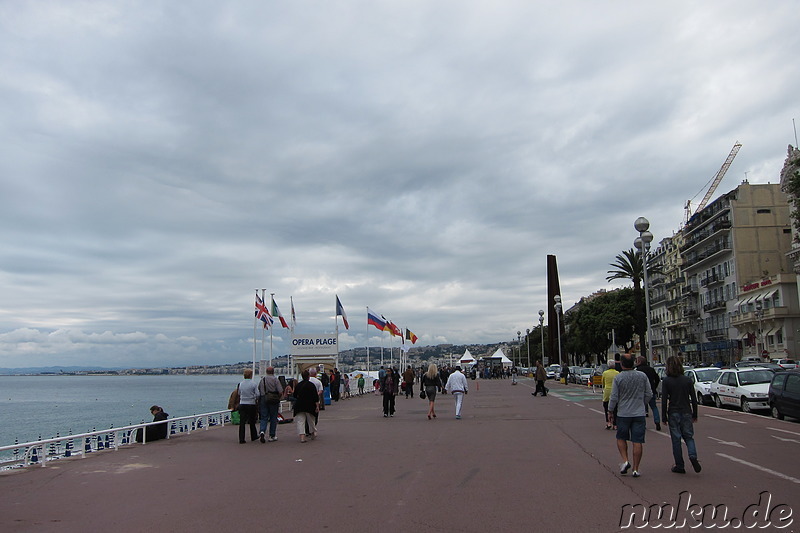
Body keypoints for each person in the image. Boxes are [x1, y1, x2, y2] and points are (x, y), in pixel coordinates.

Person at [608, 353, 652, 477]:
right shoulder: (642, 376)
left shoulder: (619, 378)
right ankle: (636, 468)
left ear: (621, 364)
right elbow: (649, 393)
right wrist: (642, 404)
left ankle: (625, 460)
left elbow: (614, 397)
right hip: (639, 412)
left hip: (623, 413)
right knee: (637, 440)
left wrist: (610, 411)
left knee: (621, 437)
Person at [661, 355, 701, 474]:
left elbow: (664, 400)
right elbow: (693, 399)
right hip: (686, 411)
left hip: (673, 411)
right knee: (689, 437)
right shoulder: (687, 380)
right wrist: (695, 414)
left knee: (676, 439)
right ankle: (693, 456)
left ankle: (680, 465)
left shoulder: (667, 381)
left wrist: (664, 416)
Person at [257, 366, 283, 443]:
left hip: (263, 399)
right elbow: (280, 391)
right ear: (273, 372)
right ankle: (272, 435)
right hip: (273, 399)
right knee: (273, 417)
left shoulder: (262, 380)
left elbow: (259, 390)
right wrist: (278, 397)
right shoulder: (275, 379)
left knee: (264, 417)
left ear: (266, 372)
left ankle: (262, 431)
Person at [635, 356, 662, 431]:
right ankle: (657, 422)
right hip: (651, 391)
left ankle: (643, 424)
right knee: (654, 407)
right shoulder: (651, 369)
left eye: (636, 361)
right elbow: (657, 379)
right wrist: (654, 386)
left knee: (641, 408)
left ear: (639, 362)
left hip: (641, 392)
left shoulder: (638, 370)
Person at [293, 370, 319, 443]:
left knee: (300, 421)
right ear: (308, 376)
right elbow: (315, 397)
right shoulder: (311, 385)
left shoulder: (298, 385)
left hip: (299, 405)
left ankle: (302, 437)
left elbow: (295, 395)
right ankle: (313, 433)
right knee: (311, 420)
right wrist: (317, 406)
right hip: (310, 405)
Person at [237, 368, 259, 444]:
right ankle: (254, 436)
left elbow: (239, 393)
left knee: (242, 422)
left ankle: (241, 438)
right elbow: (257, 394)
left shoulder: (240, 384)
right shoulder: (253, 384)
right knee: (252, 421)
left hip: (242, 403)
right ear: (251, 375)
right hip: (251, 403)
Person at [602, 359, 620, 429]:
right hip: (615, 392)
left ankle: (608, 422)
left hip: (607, 391)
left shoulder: (605, 373)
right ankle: (615, 424)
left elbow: (603, 383)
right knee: (615, 408)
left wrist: (604, 387)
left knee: (606, 407)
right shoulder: (617, 373)